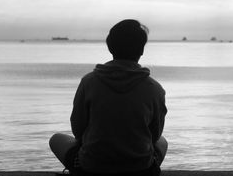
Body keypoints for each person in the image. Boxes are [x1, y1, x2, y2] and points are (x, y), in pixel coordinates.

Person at [49, 19, 168, 176]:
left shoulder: (89, 81)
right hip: (140, 169)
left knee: (56, 139)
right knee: (162, 141)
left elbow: (78, 130)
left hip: (92, 167)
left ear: (110, 47)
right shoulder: (154, 88)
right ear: (141, 50)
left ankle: (80, 166)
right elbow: (155, 135)